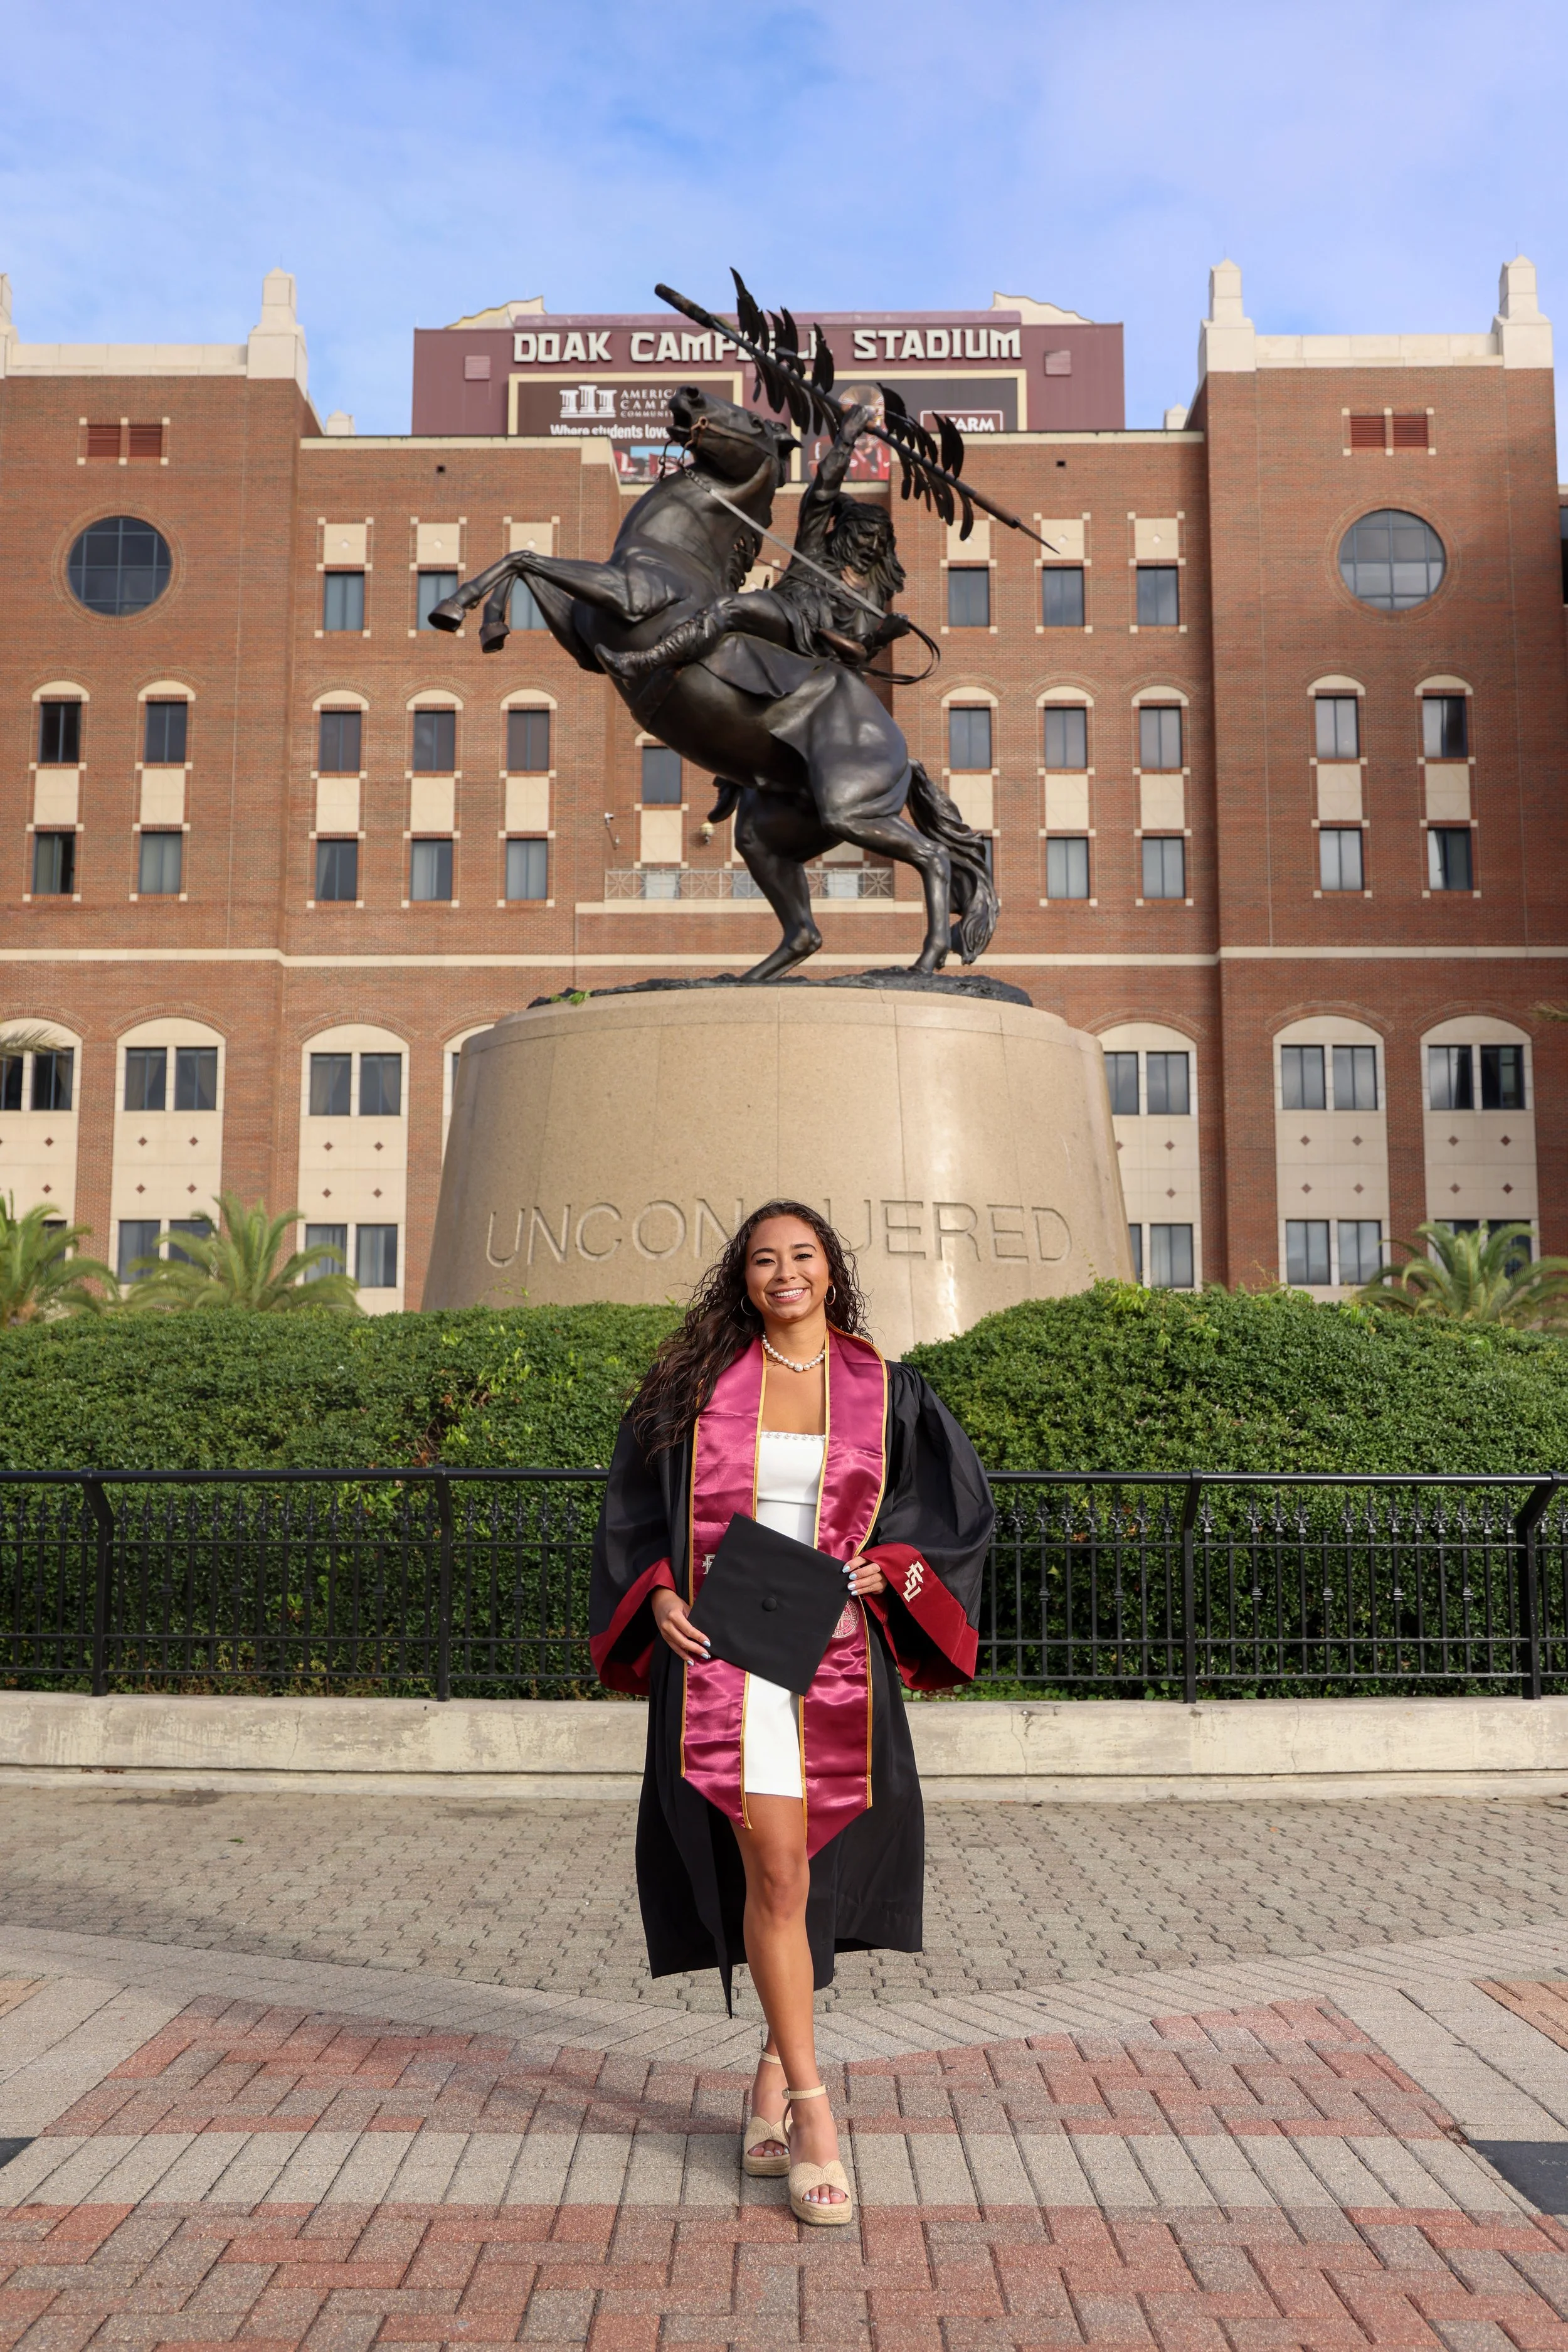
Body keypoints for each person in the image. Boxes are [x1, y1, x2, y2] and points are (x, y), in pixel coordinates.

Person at [589, 1201, 994, 2226]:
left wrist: (893, 1564)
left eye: (801, 1255)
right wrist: (662, 1593)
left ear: (830, 1270)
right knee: (772, 1866)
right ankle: (815, 2111)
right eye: (764, 1258)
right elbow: (631, 1516)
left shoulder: (888, 1390)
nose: (784, 1272)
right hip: (729, 1648)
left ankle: (771, 2071)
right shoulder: (692, 1392)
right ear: (744, 1277)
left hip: (834, 1647)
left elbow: (953, 1518)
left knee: (808, 1869)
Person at [598, 404, 914, 685]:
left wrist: (882, 636)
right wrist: (846, 439)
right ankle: (648, 661)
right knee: (728, 607)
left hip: (818, 656)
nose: (872, 546)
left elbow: (857, 650)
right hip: (787, 617)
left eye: (880, 541)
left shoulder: (871, 591)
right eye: (864, 534)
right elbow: (821, 495)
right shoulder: (815, 552)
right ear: (845, 532)